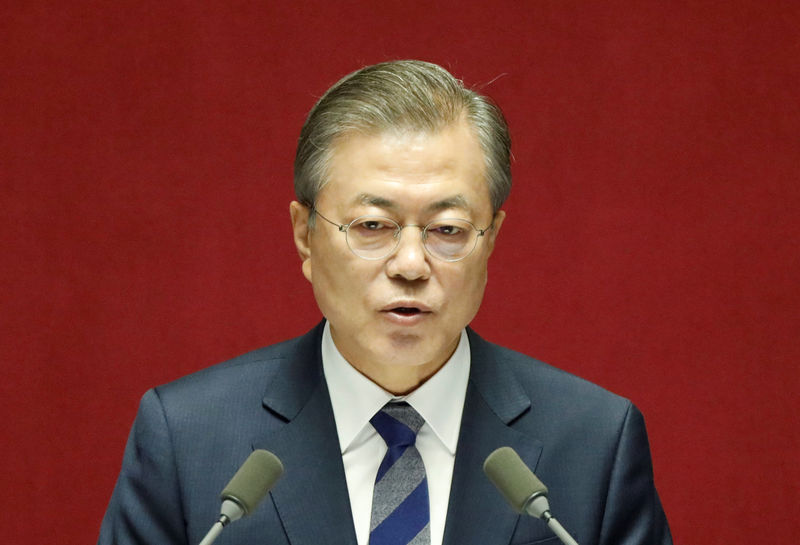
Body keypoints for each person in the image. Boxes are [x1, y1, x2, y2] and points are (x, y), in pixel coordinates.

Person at [99, 60, 672, 545]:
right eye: (373, 225)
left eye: (447, 229)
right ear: (305, 235)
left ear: (490, 239)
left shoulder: (595, 442)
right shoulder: (188, 438)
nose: (410, 264)